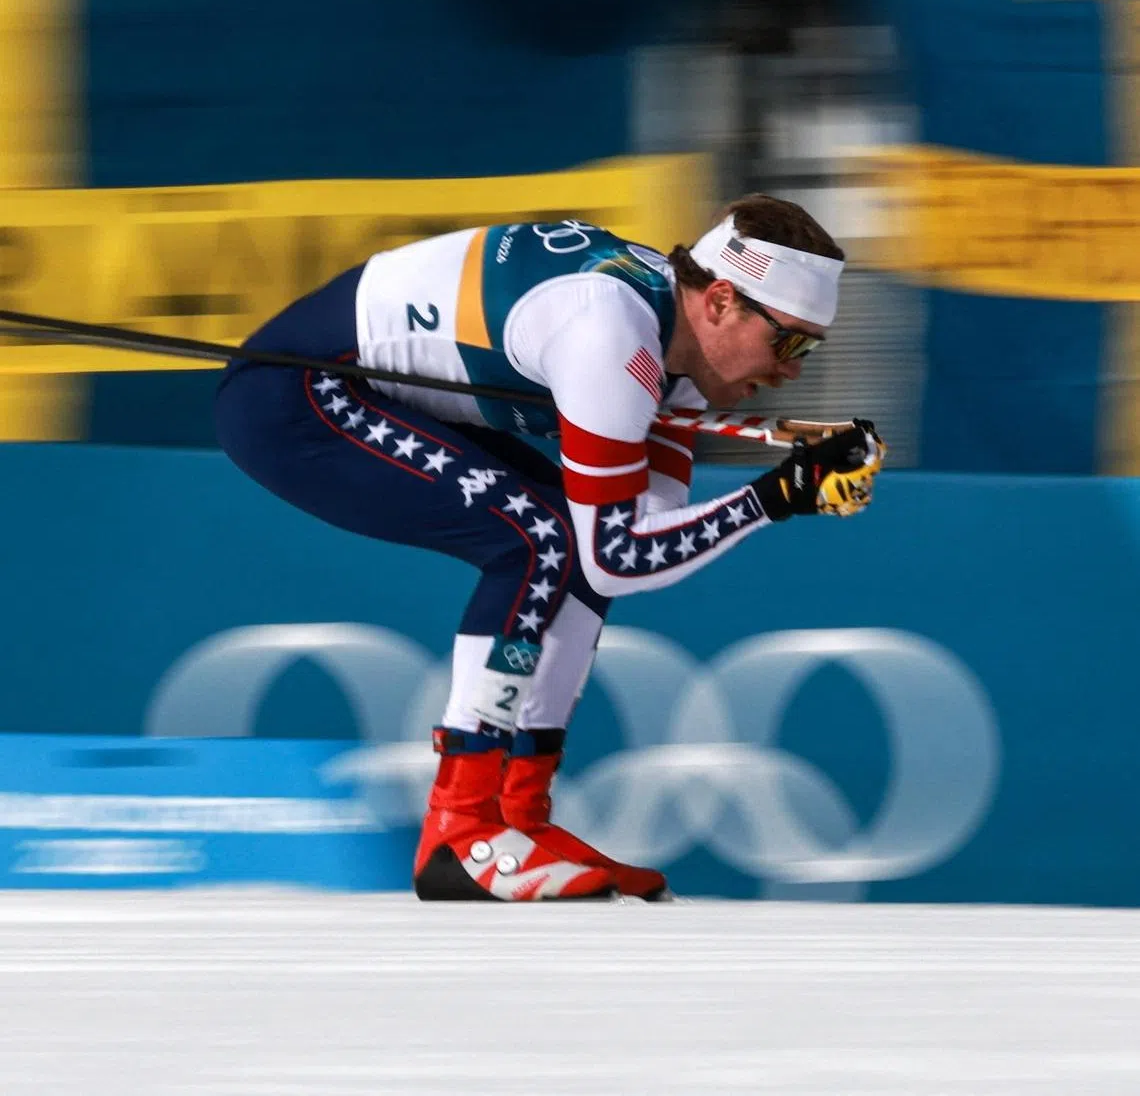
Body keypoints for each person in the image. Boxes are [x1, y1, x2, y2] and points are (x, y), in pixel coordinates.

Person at [214, 194, 884, 902]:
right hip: (296, 396)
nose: (793, 371)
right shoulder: (613, 336)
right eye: (791, 343)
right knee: (536, 540)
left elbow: (639, 541)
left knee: (573, 535)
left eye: (811, 348)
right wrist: (775, 498)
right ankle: (459, 829)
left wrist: (778, 489)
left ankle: (515, 817)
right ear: (720, 301)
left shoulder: (674, 352)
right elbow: (620, 555)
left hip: (364, 387)